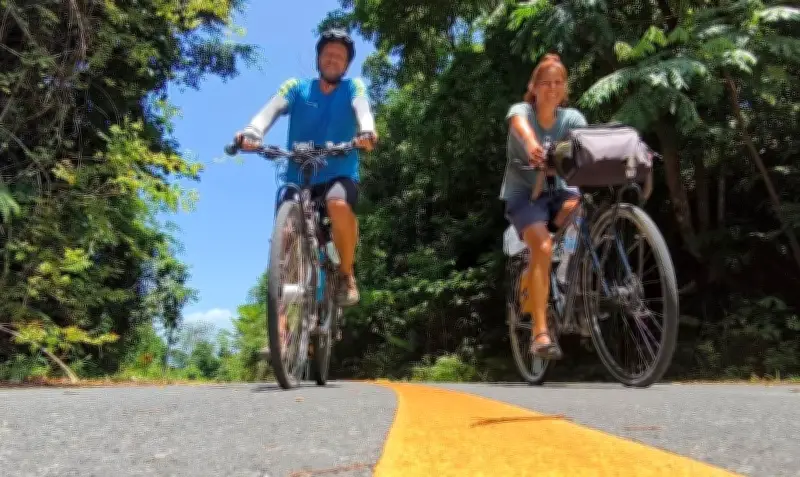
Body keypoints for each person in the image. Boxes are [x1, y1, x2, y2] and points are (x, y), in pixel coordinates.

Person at [235, 28, 377, 309]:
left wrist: (367, 131)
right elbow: (272, 108)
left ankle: (346, 274)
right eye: (328, 54)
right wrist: (253, 132)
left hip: (339, 172)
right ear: (318, 59)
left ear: (346, 65)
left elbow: (362, 107)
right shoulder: (297, 87)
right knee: (286, 234)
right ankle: (280, 323)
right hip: (299, 176)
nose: (333, 59)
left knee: (337, 204)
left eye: (340, 57)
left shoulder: (353, 87)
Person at [499, 53, 588, 359]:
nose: (553, 88)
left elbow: (585, 143)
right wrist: (532, 145)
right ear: (533, 87)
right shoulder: (522, 110)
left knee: (581, 208)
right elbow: (519, 126)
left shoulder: (571, 118)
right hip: (525, 195)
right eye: (546, 83)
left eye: (558, 82)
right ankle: (540, 333)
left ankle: (564, 277)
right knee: (543, 246)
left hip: (561, 193)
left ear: (565, 87)